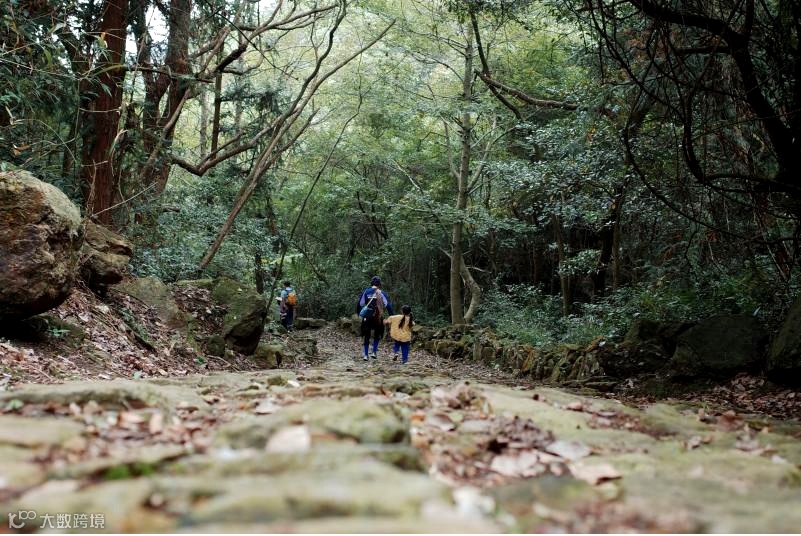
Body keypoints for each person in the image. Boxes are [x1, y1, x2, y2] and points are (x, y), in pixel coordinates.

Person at [356, 276, 393, 361]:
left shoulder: (366, 291)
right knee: (377, 334)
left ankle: (366, 355)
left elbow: (360, 304)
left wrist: (359, 314)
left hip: (367, 316)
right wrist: (391, 316)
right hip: (378, 316)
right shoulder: (382, 293)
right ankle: (374, 352)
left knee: (367, 335)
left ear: (371, 283)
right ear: (379, 284)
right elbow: (388, 306)